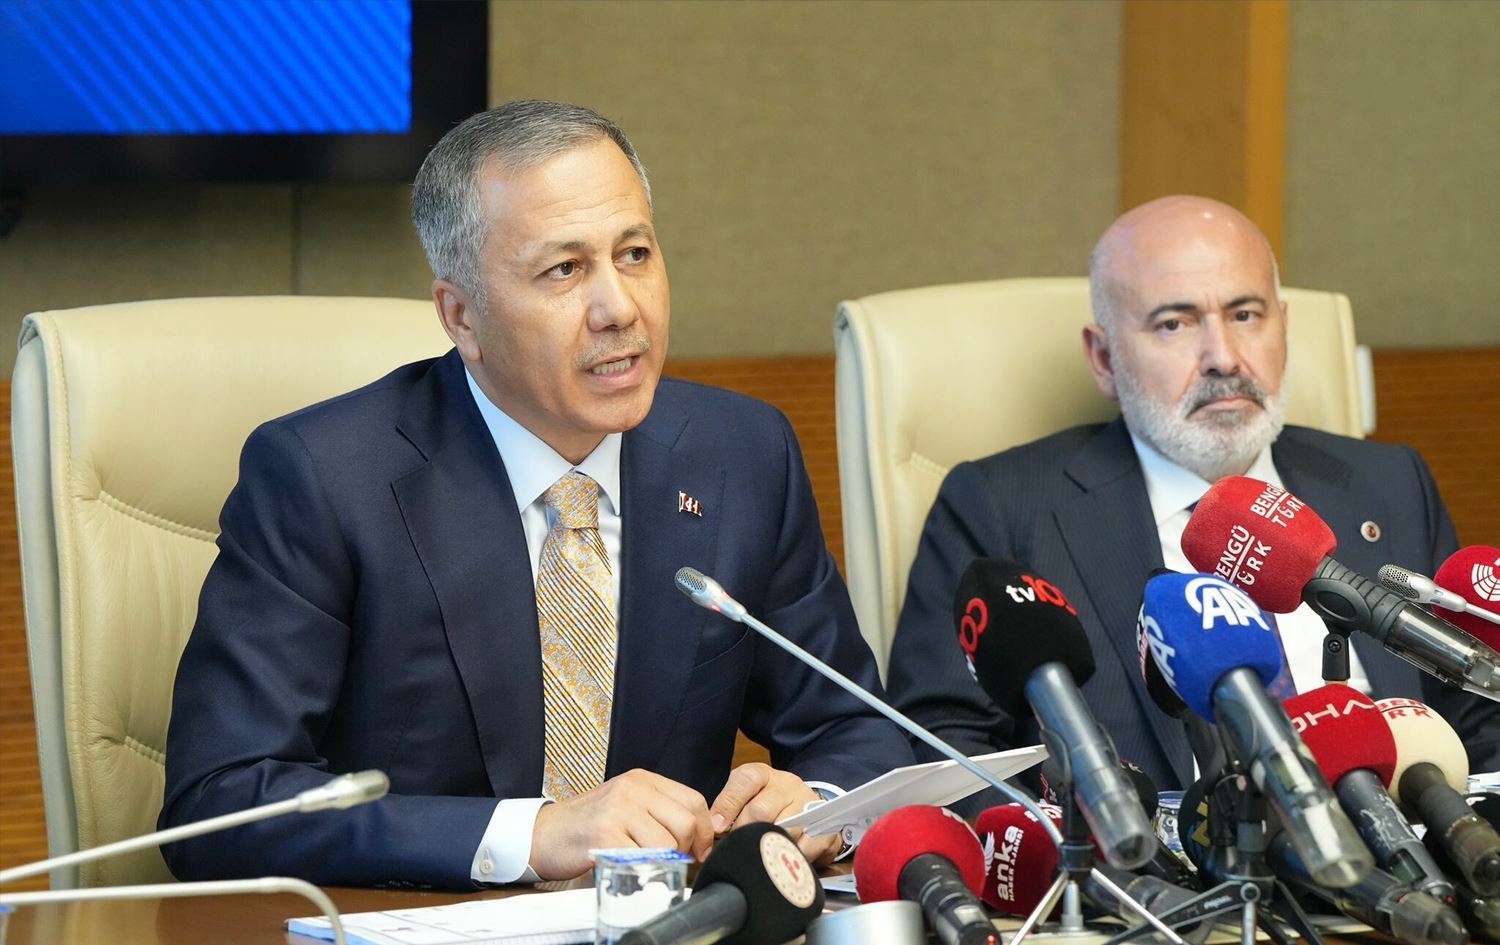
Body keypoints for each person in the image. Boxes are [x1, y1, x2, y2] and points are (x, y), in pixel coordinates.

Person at [160, 100, 913, 888]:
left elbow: (858, 726)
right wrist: (533, 833)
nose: (620, 308)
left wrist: (818, 805)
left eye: (634, 253)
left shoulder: (742, 453)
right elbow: (221, 801)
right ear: (461, 316)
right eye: (565, 270)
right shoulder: (323, 478)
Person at [885, 195, 1500, 802]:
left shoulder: (1389, 481)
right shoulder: (999, 506)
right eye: (1173, 324)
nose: (1223, 358)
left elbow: (1481, 719)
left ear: (1284, 327)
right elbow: (949, 746)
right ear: (1104, 358)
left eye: (1245, 315)